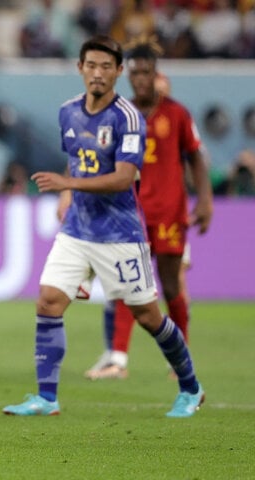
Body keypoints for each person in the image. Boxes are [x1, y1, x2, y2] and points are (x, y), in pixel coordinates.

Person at [1, 35, 204, 418]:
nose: (97, 73)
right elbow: (79, 161)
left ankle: (190, 387)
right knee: (48, 300)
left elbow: (124, 177)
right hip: (78, 229)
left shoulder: (128, 117)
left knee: (148, 315)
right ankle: (47, 397)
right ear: (80, 68)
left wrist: (68, 186)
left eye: (106, 66)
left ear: (118, 72)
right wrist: (68, 190)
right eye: (91, 65)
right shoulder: (67, 112)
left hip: (120, 234)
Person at [84, 40, 213, 380]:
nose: (142, 79)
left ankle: (179, 357)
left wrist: (206, 200)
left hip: (170, 213)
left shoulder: (177, 113)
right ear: (128, 75)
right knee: (128, 286)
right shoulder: (119, 114)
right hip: (131, 215)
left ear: (156, 74)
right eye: (136, 73)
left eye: (147, 73)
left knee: (170, 287)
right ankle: (118, 360)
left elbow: (196, 158)